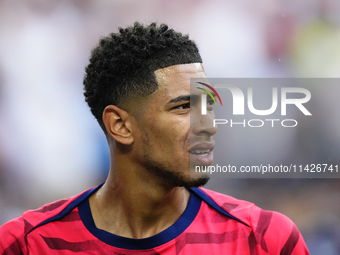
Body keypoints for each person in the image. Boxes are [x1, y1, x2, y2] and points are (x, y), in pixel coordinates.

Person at [0, 22, 309, 255]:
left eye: (208, 106)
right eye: (184, 107)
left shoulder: (265, 239)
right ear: (120, 125)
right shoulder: (25, 244)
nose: (209, 126)